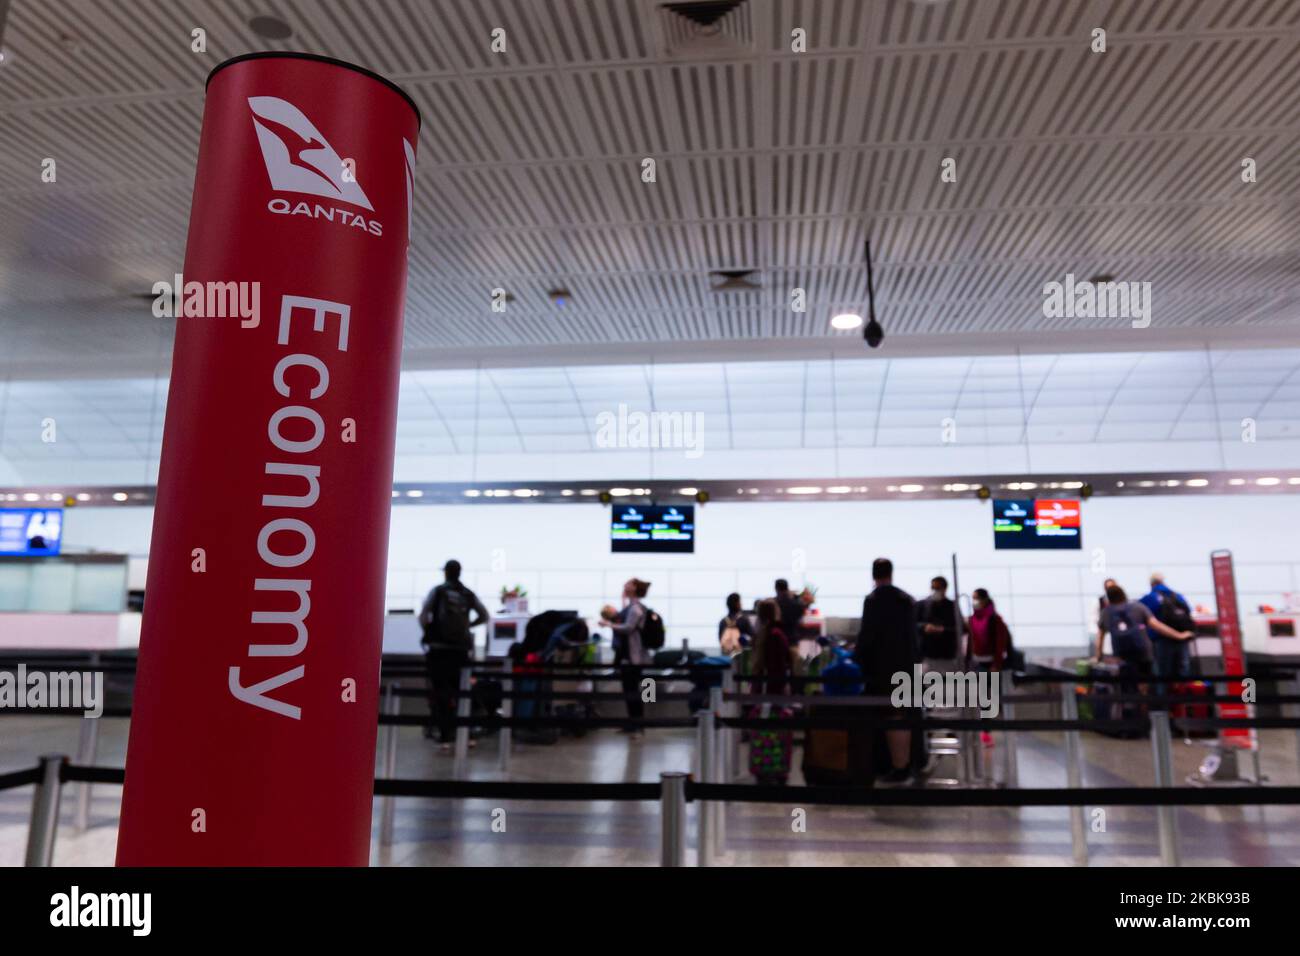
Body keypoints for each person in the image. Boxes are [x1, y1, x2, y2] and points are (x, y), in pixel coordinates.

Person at [853, 558, 917, 786]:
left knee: (892, 716)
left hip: (883, 669)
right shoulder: (906, 599)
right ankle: (906, 764)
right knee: (903, 715)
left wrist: (857, 658)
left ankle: (899, 768)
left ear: (873, 575)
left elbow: (867, 636)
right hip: (907, 667)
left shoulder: (873, 600)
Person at [419, 560, 489, 753]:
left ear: (446, 573)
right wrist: (468, 627)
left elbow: (423, 617)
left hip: (439, 650)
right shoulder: (467, 594)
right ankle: (466, 736)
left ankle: (444, 738)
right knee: (463, 693)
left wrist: (430, 631)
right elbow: (485, 616)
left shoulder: (438, 592)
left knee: (441, 693)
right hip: (461, 651)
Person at [1095, 583, 1193, 717]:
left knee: (1126, 687)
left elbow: (1100, 636)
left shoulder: (1106, 612)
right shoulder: (1137, 607)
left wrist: (1098, 655)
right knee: (1144, 685)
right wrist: (1179, 635)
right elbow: (1157, 626)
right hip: (1143, 652)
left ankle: (1130, 717)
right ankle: (1145, 716)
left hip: (1121, 656)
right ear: (1124, 594)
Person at [603, 577, 651, 737]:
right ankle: (633, 724)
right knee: (629, 690)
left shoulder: (636, 608)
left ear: (635, 588)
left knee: (634, 690)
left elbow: (628, 627)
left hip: (634, 657)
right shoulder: (633, 606)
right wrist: (623, 599)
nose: (625, 584)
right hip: (629, 655)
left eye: (629, 584)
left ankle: (638, 726)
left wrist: (608, 625)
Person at [1140, 573, 1195, 687]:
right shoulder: (1178, 596)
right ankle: (1183, 701)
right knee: (1183, 673)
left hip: (1161, 641)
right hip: (1182, 638)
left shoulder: (1150, 597)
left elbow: (1139, 614)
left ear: (1152, 584)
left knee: (1162, 675)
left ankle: (1164, 703)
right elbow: (1189, 612)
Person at [915, 575, 961, 674]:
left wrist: (942, 630)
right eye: (933, 588)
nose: (935, 590)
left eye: (938, 588)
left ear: (945, 589)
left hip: (946, 657)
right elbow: (913, 624)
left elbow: (959, 629)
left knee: (947, 688)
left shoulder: (952, 606)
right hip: (926, 657)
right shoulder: (921, 605)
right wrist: (924, 627)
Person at [966, 589, 1011, 671]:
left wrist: (996, 664)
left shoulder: (995, 619)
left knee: (992, 683)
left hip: (992, 662)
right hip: (977, 661)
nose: (974, 602)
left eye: (977, 598)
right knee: (981, 683)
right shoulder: (972, 620)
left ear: (985, 600)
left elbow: (1000, 643)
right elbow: (971, 640)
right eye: (973, 598)